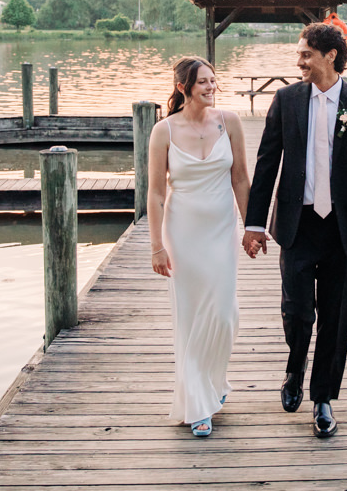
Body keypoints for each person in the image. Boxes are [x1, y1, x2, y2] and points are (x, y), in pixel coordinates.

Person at [241, 23, 347, 438]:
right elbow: (267, 163)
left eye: (306, 54)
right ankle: (295, 367)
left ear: (330, 56)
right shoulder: (286, 100)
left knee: (336, 317)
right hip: (297, 224)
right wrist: (254, 224)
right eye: (299, 54)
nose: (299, 61)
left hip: (342, 229)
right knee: (297, 311)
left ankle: (323, 399)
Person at [148, 56, 250, 437]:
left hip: (221, 231)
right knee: (191, 317)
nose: (211, 87)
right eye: (203, 82)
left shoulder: (230, 122)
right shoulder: (163, 131)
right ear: (183, 87)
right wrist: (156, 246)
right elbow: (156, 193)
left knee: (224, 314)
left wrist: (251, 228)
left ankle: (214, 381)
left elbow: (241, 179)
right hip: (183, 232)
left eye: (213, 80)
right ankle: (198, 404)